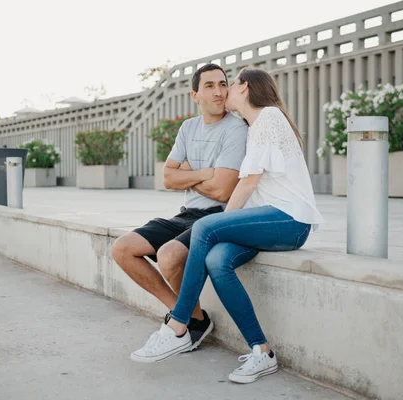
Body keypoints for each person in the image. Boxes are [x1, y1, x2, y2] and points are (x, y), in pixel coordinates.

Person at [130, 67, 324, 384]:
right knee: (217, 260)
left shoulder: (268, 117)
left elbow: (246, 185)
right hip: (265, 220)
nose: (224, 91)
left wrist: (220, 221)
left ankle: (178, 325)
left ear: (244, 88)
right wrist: (223, 221)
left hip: (290, 220)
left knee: (208, 227)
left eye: (229, 84)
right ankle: (262, 352)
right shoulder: (252, 125)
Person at [112, 63, 248, 353]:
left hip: (219, 216)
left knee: (169, 255)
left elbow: (223, 189)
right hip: (187, 214)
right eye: (209, 86)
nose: (219, 92)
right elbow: (167, 177)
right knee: (122, 248)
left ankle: (182, 321)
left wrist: (187, 172)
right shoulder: (189, 127)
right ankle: (190, 316)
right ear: (195, 95)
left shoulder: (236, 128)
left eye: (223, 84)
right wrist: (204, 173)